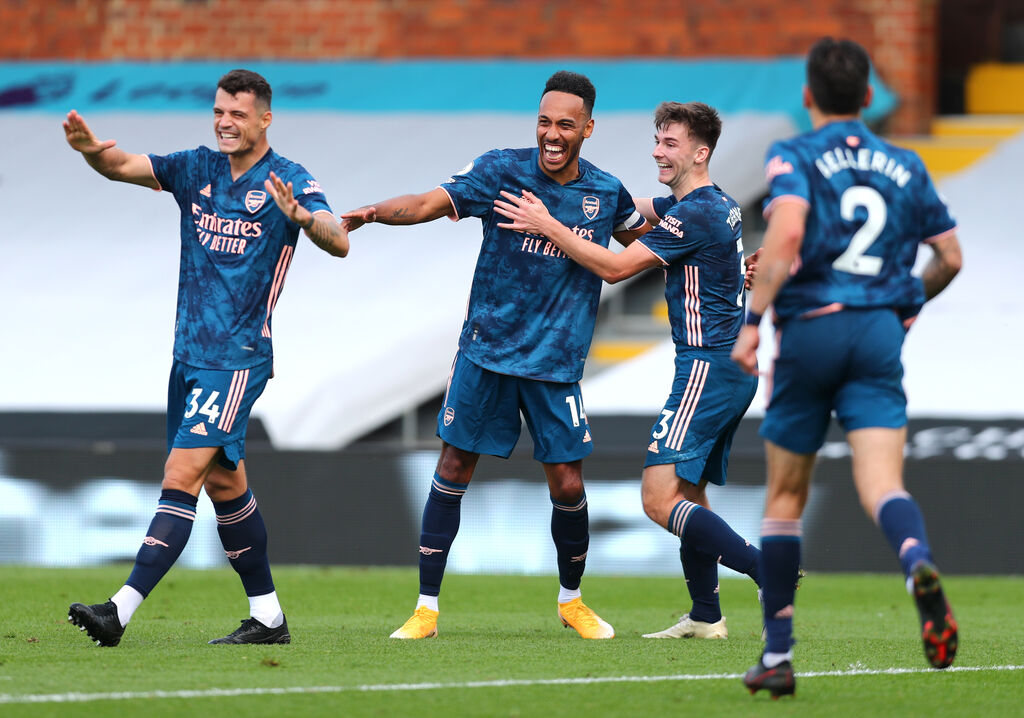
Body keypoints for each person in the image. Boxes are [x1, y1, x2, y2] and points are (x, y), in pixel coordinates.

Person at [341, 70, 649, 640]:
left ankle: (572, 601)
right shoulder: (501, 171)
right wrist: (374, 213)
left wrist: (718, 262)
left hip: (556, 364)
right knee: (453, 468)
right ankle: (425, 609)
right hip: (486, 353)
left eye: (564, 125)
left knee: (569, 486)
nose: (551, 135)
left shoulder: (606, 193)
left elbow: (647, 250)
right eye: (543, 122)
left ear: (587, 129)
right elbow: (430, 202)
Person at [64, 69, 349, 646]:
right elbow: (122, 166)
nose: (224, 122)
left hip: (238, 359)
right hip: (189, 357)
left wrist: (303, 220)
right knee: (226, 488)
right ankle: (268, 617)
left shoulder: (289, 180)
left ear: (265, 119)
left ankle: (118, 611)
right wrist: (92, 153)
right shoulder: (196, 168)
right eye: (220, 111)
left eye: (238, 114)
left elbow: (339, 236)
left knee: (181, 475)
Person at [731, 37, 962, 698]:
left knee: (785, 496)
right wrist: (904, 307)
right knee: (883, 485)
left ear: (808, 97)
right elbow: (949, 257)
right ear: (868, 97)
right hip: (877, 335)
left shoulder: (795, 154)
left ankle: (777, 655)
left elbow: (790, 234)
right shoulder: (906, 163)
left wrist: (751, 324)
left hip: (811, 330)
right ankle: (916, 560)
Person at [494, 101, 764, 641]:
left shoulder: (696, 212)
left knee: (658, 498)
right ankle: (706, 617)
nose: (658, 152)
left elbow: (616, 268)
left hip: (709, 366)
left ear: (700, 152)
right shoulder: (708, 206)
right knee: (690, 494)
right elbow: (625, 209)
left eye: (670, 144)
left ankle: (766, 569)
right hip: (728, 366)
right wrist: (578, 198)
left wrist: (548, 223)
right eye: (657, 140)